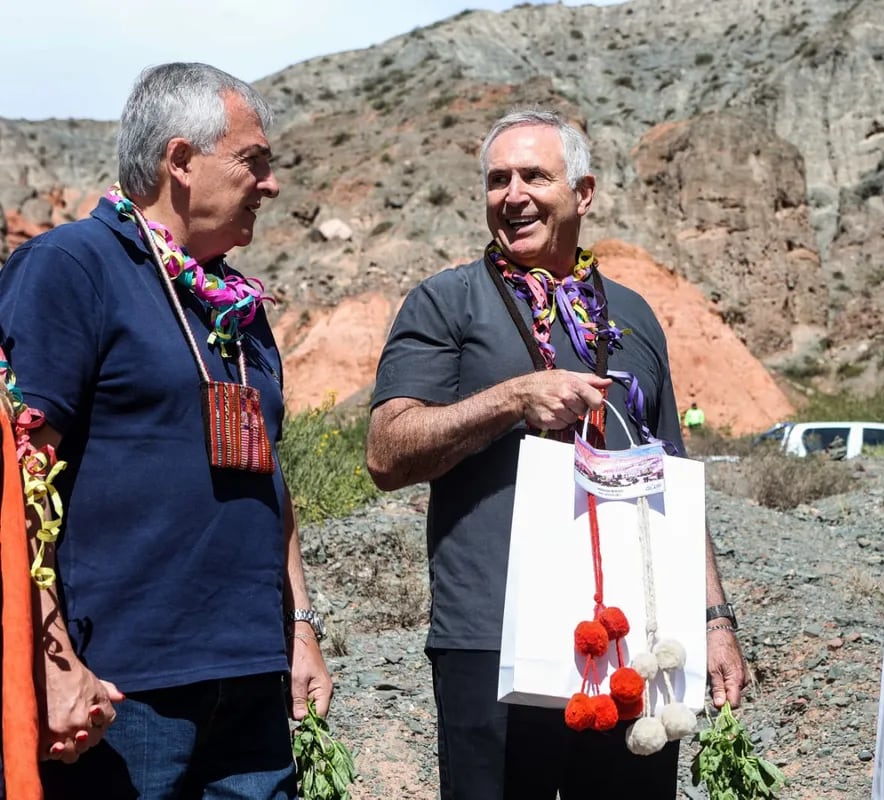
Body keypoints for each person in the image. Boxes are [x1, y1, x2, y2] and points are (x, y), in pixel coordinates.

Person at [366, 108, 746, 799]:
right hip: (493, 637)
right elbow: (387, 453)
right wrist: (511, 399)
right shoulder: (445, 303)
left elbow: (675, 481)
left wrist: (715, 621)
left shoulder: (632, 315)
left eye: (534, 176)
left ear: (585, 192)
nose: (512, 195)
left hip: (632, 638)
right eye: (496, 180)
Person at [0, 62, 332, 798]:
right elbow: (18, 476)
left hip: (252, 683)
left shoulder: (236, 307)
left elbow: (269, 479)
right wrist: (51, 664)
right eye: (254, 161)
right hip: (122, 694)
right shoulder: (71, 267)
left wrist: (299, 628)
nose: (271, 184)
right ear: (180, 161)